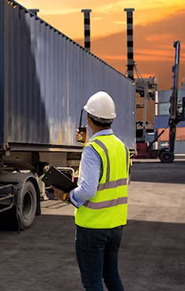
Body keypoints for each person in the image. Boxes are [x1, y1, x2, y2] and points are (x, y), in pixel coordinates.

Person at [54, 91, 130, 291]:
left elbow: (88, 190)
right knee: (111, 275)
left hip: (93, 227)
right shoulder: (122, 147)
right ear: (112, 119)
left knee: (92, 281)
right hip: (116, 224)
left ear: (88, 119)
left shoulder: (92, 150)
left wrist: (67, 195)